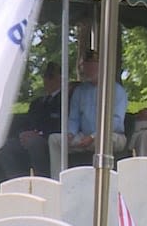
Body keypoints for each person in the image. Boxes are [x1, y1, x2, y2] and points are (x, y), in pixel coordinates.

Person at [48, 49, 127, 178]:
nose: (87, 70)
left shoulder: (116, 90)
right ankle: (57, 182)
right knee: (55, 140)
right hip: (84, 137)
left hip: (110, 136)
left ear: (101, 67)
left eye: (92, 66)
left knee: (104, 141)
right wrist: (70, 134)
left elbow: (116, 122)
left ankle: (103, 181)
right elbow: (74, 118)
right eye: (86, 66)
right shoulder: (80, 91)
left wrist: (93, 136)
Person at [0, 62, 66, 185]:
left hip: (48, 139)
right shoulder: (37, 103)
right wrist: (22, 134)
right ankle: (17, 183)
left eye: (51, 76)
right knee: (6, 146)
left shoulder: (65, 99)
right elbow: (28, 122)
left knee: (34, 143)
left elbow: (60, 123)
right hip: (29, 138)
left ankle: (44, 184)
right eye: (46, 76)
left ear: (61, 77)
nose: (47, 80)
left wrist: (40, 134)